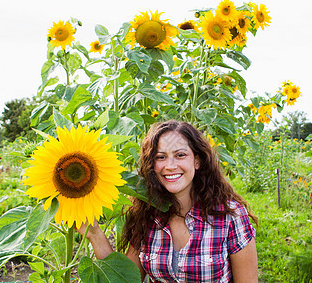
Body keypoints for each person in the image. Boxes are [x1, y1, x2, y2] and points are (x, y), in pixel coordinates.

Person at [78, 120, 259, 282]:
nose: (170, 166)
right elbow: (124, 279)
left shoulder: (229, 217)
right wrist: (94, 234)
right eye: (160, 157)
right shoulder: (147, 215)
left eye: (180, 155)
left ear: (197, 161)